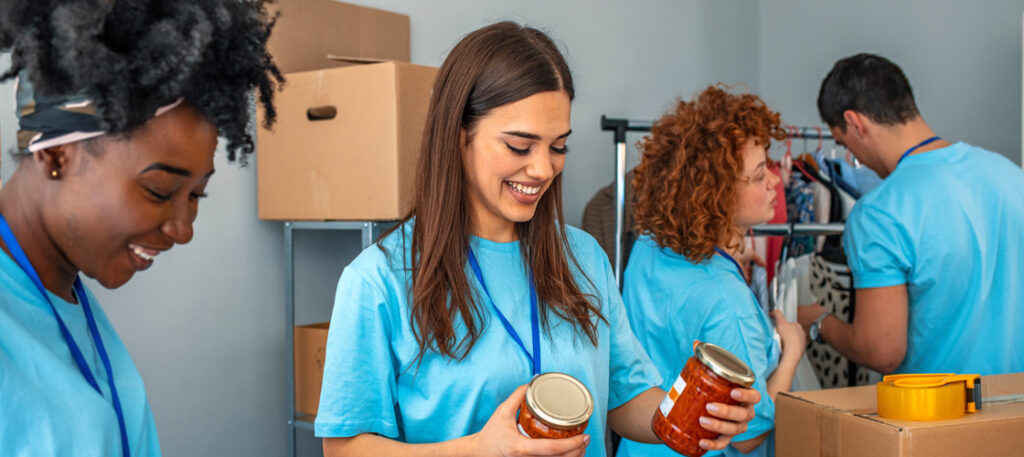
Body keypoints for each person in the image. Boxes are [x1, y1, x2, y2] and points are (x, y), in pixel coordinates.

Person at [315, 23, 761, 457]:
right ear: (457, 136)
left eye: (558, 146)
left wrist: (693, 418)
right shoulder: (378, 280)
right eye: (519, 146)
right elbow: (344, 447)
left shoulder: (584, 258)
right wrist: (475, 452)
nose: (544, 169)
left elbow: (625, 396)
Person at [0, 1, 281, 455]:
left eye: (196, 195)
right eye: (158, 190)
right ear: (55, 157)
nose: (183, 229)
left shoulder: (64, 296)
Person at [797, 53, 1024, 375]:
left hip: (939, 416)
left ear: (855, 123)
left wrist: (819, 322)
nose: (852, 156)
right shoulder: (1011, 176)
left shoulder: (879, 213)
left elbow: (881, 351)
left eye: (842, 141)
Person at [617, 85, 805, 457]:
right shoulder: (726, 300)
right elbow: (748, 435)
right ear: (715, 195)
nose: (774, 181)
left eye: (767, 164)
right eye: (756, 176)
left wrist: (735, 263)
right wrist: (793, 350)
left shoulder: (649, 246)